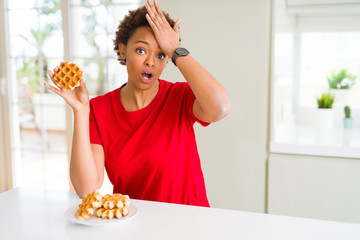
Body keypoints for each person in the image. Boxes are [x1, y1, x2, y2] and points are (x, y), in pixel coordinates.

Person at [45, 0, 230, 207]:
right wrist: (80, 111)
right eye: (142, 50)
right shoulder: (98, 109)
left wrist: (175, 49)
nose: (151, 61)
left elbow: (220, 107)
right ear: (123, 51)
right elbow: (86, 188)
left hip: (190, 225)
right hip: (136, 227)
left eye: (161, 55)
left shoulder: (180, 97)